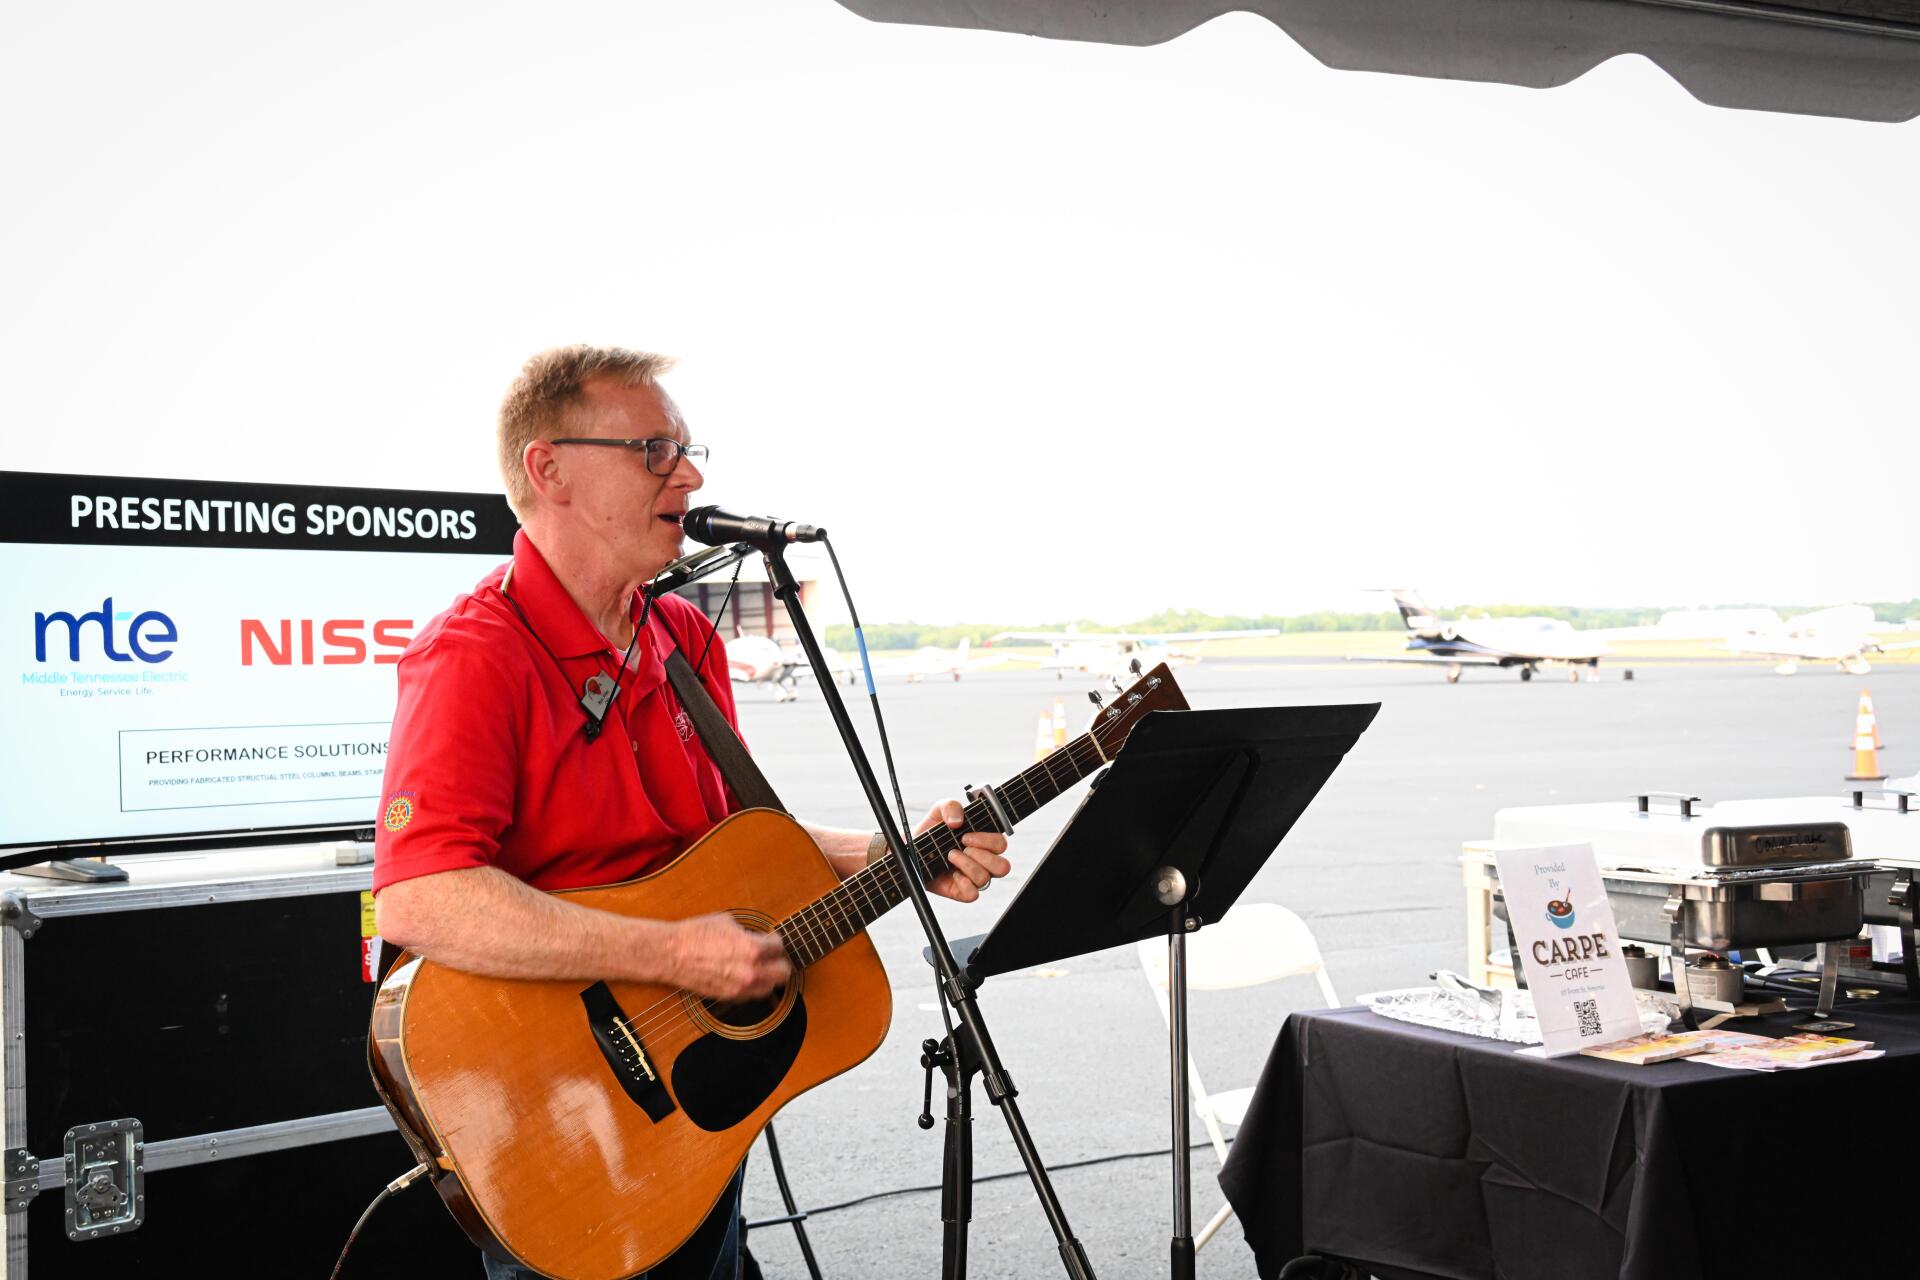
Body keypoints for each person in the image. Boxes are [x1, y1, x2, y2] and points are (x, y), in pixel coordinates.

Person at [371, 345, 1011, 1279]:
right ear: (548, 467)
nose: (692, 474)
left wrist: (884, 850)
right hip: (565, 1122)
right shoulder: (473, 655)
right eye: (655, 452)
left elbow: (728, 856)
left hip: (697, 1112)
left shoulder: (683, 639)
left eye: (687, 449)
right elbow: (421, 899)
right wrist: (667, 954)